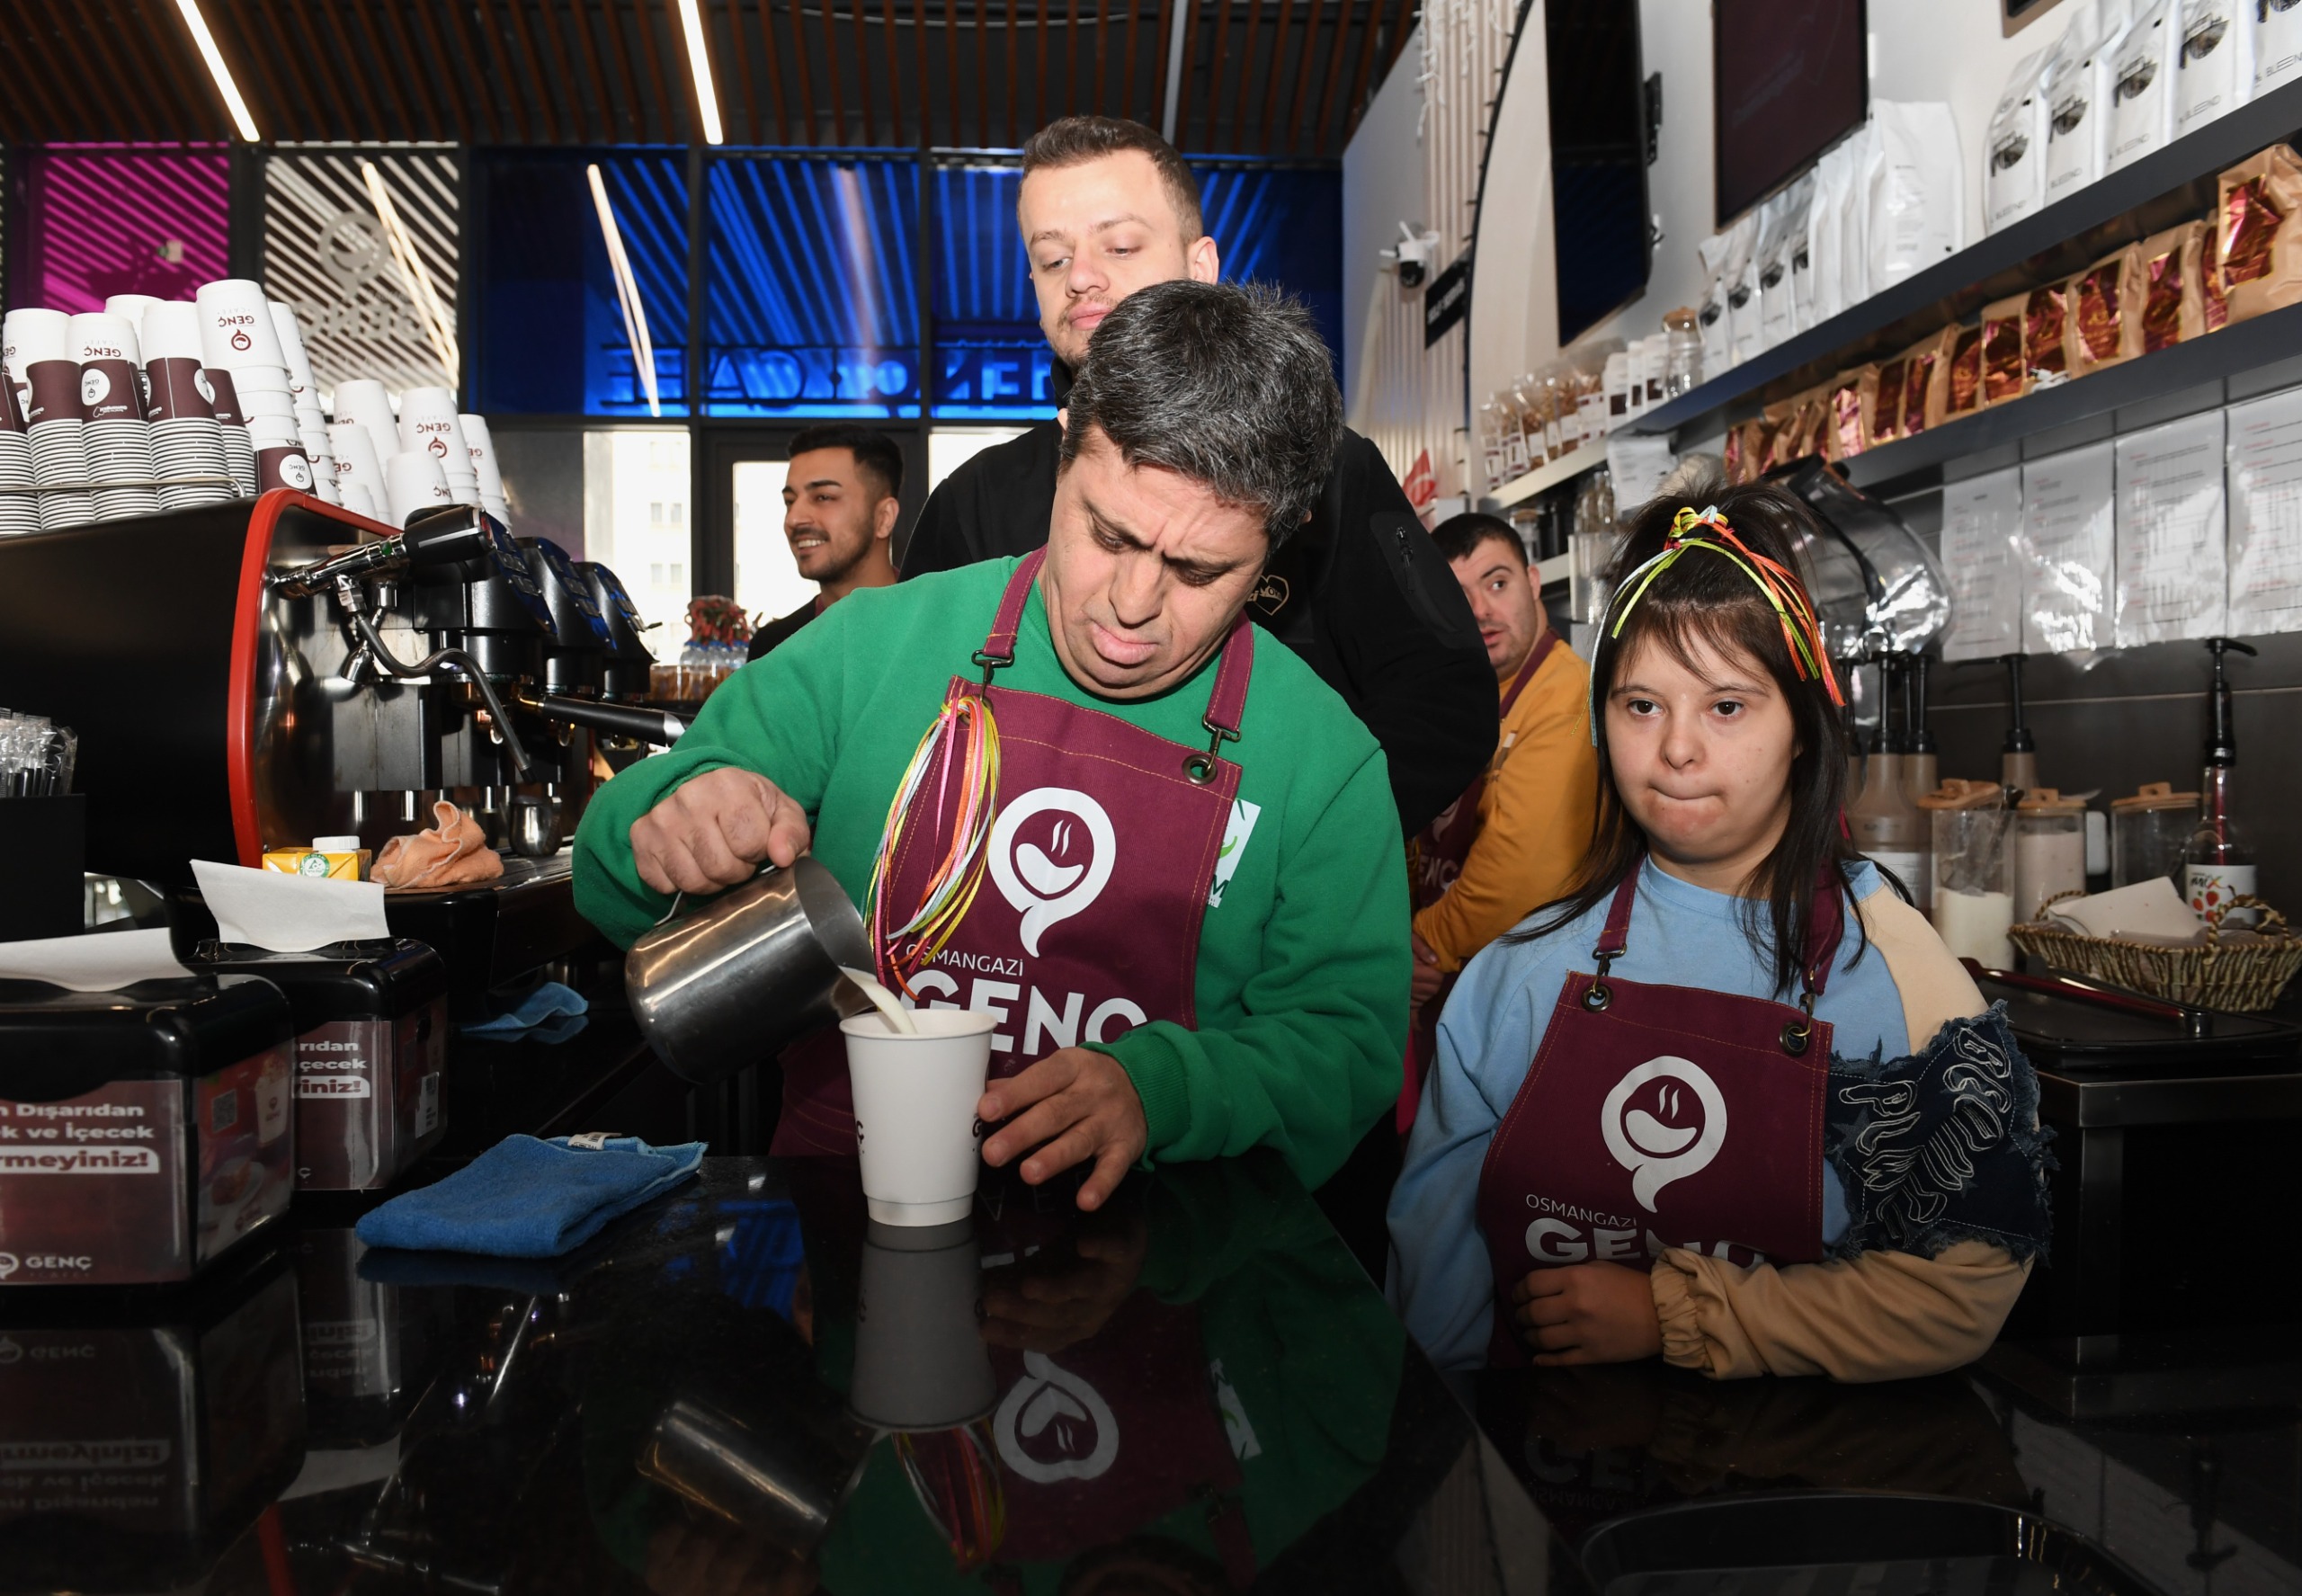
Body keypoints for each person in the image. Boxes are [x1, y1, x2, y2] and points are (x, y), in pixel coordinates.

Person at [576, 281, 1405, 1210]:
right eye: (1108, 534)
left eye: (1199, 570)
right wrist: (668, 821)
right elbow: (609, 876)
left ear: (1283, 539)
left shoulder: (1324, 761)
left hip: (1164, 1249)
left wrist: (1165, 1091)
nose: (1131, 605)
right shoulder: (870, 647)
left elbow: (1346, 1049)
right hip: (840, 1216)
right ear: (1063, 448)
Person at [1387, 486, 2052, 1380]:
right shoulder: (1518, 975)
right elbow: (1434, 1299)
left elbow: (1963, 1288)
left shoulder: (1894, 970)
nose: (1677, 749)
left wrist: (1683, 1312)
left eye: (1727, 706)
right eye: (1641, 705)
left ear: (1804, 728)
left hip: (1808, 1463)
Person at [897, 114, 1495, 838]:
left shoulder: (1325, 470)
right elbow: (908, 714)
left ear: (1200, 264)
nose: (1080, 277)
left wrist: (1284, 851)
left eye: (1120, 245)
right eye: (1052, 259)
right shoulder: (974, 499)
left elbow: (1446, 702)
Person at [1405, 513, 1598, 1122]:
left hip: (1525, 997)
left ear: (1533, 582)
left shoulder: (1567, 697)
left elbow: (1521, 873)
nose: (1482, 611)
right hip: (1452, 983)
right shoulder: (1461, 696)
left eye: (1497, 583)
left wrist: (1422, 945)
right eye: (1458, 594)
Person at [746, 424, 903, 661]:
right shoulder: (773, 648)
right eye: (790, 501)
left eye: (823, 497)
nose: (793, 519)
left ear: (884, 518)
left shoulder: (936, 629)